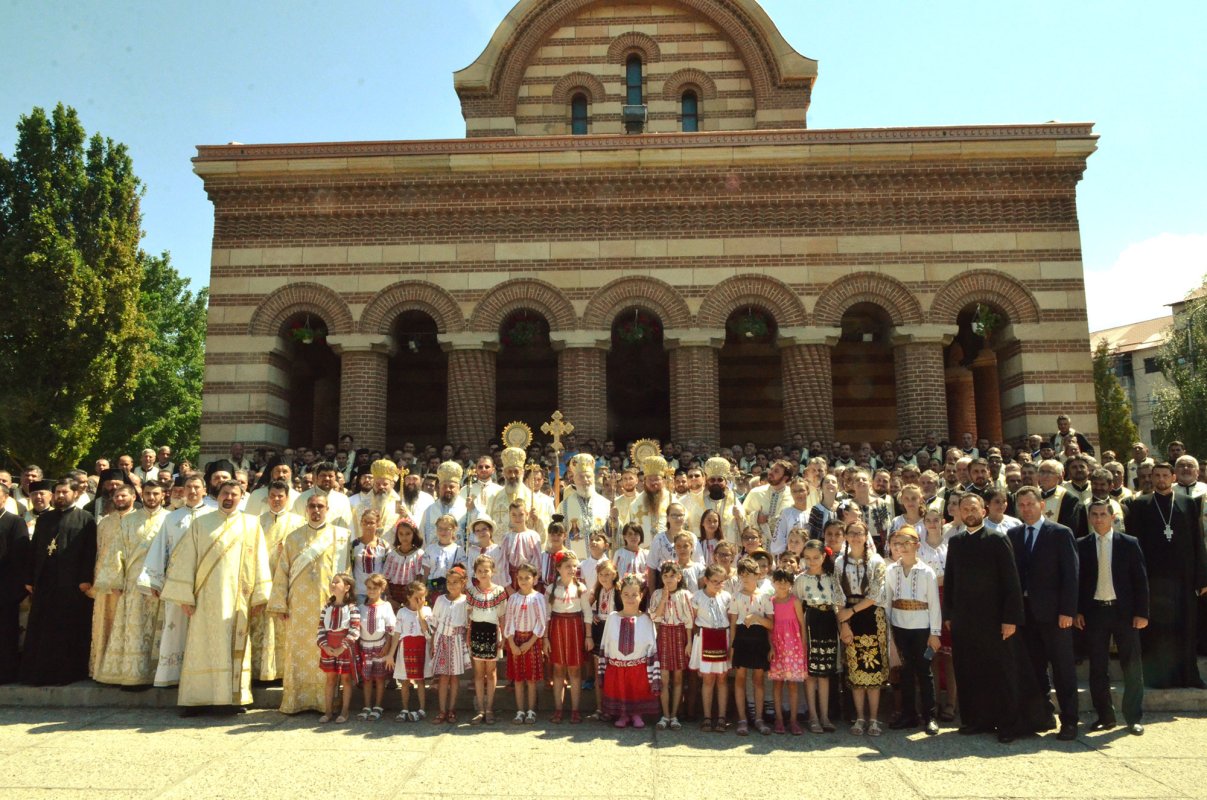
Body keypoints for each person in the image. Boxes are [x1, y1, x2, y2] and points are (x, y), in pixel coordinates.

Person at [161, 480, 272, 713]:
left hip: (238, 600)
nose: (229, 497)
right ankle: (197, 700)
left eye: (234, 493)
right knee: (201, 647)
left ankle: (231, 700)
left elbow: (260, 559)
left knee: (233, 647)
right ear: (217, 495)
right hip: (204, 599)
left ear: (242, 497)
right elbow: (185, 560)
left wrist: (260, 596)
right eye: (224, 493)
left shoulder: (251, 524)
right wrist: (185, 596)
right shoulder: (201, 524)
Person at [945, 493, 1044, 743]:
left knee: (1002, 673)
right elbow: (951, 581)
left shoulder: (998, 539)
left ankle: (1009, 724)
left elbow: (1012, 581)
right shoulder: (956, 542)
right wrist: (949, 615)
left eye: (973, 508)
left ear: (984, 510)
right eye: (964, 508)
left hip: (996, 621)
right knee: (971, 671)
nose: (969, 512)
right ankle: (978, 720)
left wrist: (1011, 619)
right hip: (966, 621)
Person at [268, 492, 353, 714]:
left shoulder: (341, 536)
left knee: (326, 652)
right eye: (312, 506)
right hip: (299, 607)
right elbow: (282, 572)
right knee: (299, 652)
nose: (316, 510)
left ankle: (324, 703)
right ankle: (297, 701)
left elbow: (346, 574)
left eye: (321, 507)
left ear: (327, 510)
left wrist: (344, 605)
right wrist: (280, 604)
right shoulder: (293, 538)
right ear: (306, 509)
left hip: (330, 607)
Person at [1124, 461, 1207, 688]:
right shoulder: (1140, 504)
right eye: (1156, 475)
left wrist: (1202, 578)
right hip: (1153, 579)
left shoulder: (1188, 503)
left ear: (1173, 477)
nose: (1161, 479)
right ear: (1151, 478)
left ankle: (1189, 676)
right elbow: (1134, 544)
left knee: (1185, 627)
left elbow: (1197, 541)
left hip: (1184, 578)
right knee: (1158, 630)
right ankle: (1159, 678)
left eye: (1165, 475)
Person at [1008, 486, 1080, 740]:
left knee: (1062, 668)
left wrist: (1068, 611)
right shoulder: (1013, 534)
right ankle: (1042, 716)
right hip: (1026, 615)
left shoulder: (1060, 533)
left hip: (1054, 615)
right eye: (1022, 505)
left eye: (1030, 504)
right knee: (1034, 668)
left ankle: (1070, 721)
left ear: (1041, 505)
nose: (1026, 509)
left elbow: (1071, 576)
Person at [1076, 500, 1148, 735]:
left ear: (1112, 516)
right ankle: (1105, 716)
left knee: (1132, 666)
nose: (1098, 519)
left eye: (1102, 515)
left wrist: (1142, 613)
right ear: (1089, 518)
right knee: (1098, 667)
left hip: (1124, 613)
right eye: (1094, 515)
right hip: (1095, 612)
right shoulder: (1082, 545)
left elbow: (1140, 580)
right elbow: (1077, 582)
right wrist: (1077, 610)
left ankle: (1133, 717)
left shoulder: (1128, 543)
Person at [21, 478, 98, 686]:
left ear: (75, 493)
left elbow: (90, 552)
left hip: (71, 584)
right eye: (57, 493)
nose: (60, 496)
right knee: (41, 627)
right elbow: (34, 548)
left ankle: (65, 673)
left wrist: (85, 578)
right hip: (45, 582)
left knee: (66, 628)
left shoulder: (86, 519)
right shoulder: (46, 519)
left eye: (65, 492)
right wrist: (29, 578)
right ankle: (38, 673)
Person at [94, 480, 169, 687]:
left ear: (163, 495)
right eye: (147, 493)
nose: (151, 497)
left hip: (162, 585)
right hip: (133, 585)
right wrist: (116, 582)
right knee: (134, 631)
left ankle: (160, 676)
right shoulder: (129, 520)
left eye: (155, 493)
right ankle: (133, 677)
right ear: (141, 495)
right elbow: (117, 550)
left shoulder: (170, 519)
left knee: (161, 629)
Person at [882, 526, 942, 736]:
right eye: (899, 543)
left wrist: (935, 633)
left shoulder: (926, 572)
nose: (903, 547)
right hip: (900, 626)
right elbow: (888, 600)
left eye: (908, 543)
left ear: (917, 545)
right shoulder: (891, 570)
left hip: (921, 627)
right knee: (905, 672)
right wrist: (889, 631)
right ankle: (908, 714)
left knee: (924, 672)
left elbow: (934, 604)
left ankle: (930, 716)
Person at [835, 521, 888, 736]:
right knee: (855, 671)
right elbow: (837, 594)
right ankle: (859, 718)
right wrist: (844, 623)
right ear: (846, 536)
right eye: (852, 533)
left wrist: (851, 612)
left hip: (871, 615)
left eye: (860, 533)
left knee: (872, 669)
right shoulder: (839, 562)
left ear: (866, 536)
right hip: (849, 616)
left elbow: (875, 594)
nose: (856, 537)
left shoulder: (876, 561)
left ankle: (873, 719)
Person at [597, 573, 661, 728]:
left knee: (637, 690)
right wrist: (603, 667)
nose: (630, 598)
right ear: (620, 594)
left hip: (638, 667)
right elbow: (605, 643)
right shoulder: (612, 617)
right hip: (617, 667)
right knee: (620, 690)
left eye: (634, 595)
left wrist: (653, 672)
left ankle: (637, 714)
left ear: (641, 595)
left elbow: (652, 645)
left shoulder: (646, 619)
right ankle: (623, 715)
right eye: (626, 594)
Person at [90, 482, 138, 679]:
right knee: (104, 626)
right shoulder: (104, 522)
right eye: (116, 497)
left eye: (123, 496)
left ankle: (124, 671)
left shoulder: (138, 520)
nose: (119, 499)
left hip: (129, 584)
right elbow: (98, 552)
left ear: (133, 497)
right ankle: (102, 670)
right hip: (104, 584)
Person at [796, 537, 839, 733]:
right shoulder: (801, 579)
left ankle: (825, 716)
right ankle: (812, 716)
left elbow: (839, 602)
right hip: (810, 621)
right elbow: (796, 607)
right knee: (811, 673)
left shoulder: (832, 577)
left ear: (823, 556)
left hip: (829, 621)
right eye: (807, 558)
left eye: (815, 557)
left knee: (825, 673)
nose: (811, 561)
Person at [545, 549, 591, 723]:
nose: (572, 569)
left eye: (574, 566)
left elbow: (587, 613)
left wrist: (588, 636)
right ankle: (558, 709)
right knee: (558, 669)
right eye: (567, 566)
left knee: (575, 670)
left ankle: (575, 710)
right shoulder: (551, 589)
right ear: (558, 568)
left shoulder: (580, 588)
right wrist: (545, 638)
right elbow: (547, 615)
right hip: (557, 629)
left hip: (575, 628)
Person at [729, 556, 774, 736]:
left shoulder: (765, 597)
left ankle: (759, 718)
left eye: (749, 575)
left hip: (759, 638)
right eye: (742, 575)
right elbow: (733, 624)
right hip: (741, 638)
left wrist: (756, 618)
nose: (745, 579)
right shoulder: (736, 596)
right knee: (740, 678)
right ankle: (742, 719)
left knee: (758, 680)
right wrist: (731, 649)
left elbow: (771, 624)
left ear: (758, 575)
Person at [649, 561, 693, 730]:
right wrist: (664, 598)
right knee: (664, 677)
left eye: (672, 576)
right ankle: (665, 715)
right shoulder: (657, 594)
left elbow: (689, 621)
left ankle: (674, 715)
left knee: (678, 677)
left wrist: (688, 642)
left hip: (680, 634)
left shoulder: (685, 595)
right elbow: (655, 616)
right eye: (665, 576)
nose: (668, 579)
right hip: (664, 634)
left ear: (679, 577)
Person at [690, 563, 732, 732]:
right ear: (706, 580)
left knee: (722, 678)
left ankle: (721, 717)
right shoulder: (697, 597)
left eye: (721, 581)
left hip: (723, 638)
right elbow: (692, 621)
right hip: (705, 638)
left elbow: (731, 618)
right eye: (714, 581)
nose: (718, 584)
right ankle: (707, 717)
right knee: (707, 679)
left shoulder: (727, 597)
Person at [504, 563, 547, 724]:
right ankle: (520, 711)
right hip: (515, 641)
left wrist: (530, 643)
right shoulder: (513, 598)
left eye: (527, 577)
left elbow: (541, 622)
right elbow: (508, 622)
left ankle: (530, 711)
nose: (523, 580)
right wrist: (512, 644)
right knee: (519, 679)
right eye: (520, 578)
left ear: (534, 579)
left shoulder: (538, 598)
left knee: (531, 678)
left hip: (532, 641)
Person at [429, 564, 471, 724]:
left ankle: (452, 709)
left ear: (463, 583)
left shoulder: (466, 601)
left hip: (457, 641)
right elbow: (434, 622)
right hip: (441, 640)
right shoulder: (441, 600)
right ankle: (441, 710)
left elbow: (467, 623)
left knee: (454, 677)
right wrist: (433, 643)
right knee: (443, 677)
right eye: (449, 582)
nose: (451, 585)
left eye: (455, 582)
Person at [467, 554, 506, 724]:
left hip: (492, 631)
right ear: (475, 573)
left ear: (493, 571)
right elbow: (468, 616)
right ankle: (480, 710)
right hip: (476, 630)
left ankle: (489, 708)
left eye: (487, 570)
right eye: (480, 571)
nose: (483, 574)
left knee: (491, 672)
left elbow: (502, 616)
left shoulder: (499, 591)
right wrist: (468, 635)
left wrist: (503, 636)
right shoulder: (471, 592)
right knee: (478, 672)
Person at [317, 573, 360, 724]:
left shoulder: (352, 608)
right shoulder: (327, 607)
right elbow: (321, 627)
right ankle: (328, 711)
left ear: (347, 587)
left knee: (346, 679)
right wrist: (324, 645)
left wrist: (343, 647)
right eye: (332, 582)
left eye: (337, 582)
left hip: (344, 648)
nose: (333, 584)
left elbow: (355, 629)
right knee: (330, 679)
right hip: (329, 646)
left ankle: (344, 711)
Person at [768, 567, 807, 735]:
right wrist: (770, 646)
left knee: (792, 684)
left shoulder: (795, 601)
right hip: (777, 646)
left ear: (791, 584)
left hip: (794, 646)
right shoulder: (771, 601)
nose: (782, 586)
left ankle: (793, 720)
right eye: (779, 582)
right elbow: (769, 626)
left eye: (786, 583)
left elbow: (801, 624)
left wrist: (804, 645)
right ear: (773, 583)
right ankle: (778, 719)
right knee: (777, 683)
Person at [355, 573, 396, 721]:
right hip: (365, 646)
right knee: (366, 678)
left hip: (380, 646)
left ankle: (378, 706)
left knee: (379, 678)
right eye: (369, 588)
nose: (371, 591)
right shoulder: (361, 608)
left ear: (382, 589)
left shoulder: (386, 606)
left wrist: (388, 645)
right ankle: (367, 706)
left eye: (375, 588)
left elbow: (391, 628)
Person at [0, 483, 29, 683]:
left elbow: (20, 559)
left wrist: (14, 590)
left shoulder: (14, 522)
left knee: (5, 633)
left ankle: (6, 673)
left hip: (4, 588)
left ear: (4, 498)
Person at [392, 581, 431, 722]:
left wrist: (420, 610)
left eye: (423, 597)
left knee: (420, 680)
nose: (420, 601)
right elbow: (396, 634)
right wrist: (391, 654)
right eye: (417, 598)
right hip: (406, 648)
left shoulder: (427, 611)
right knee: (405, 681)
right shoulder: (402, 612)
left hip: (421, 646)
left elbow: (427, 629)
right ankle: (404, 708)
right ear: (409, 597)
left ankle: (422, 708)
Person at [383, 519, 424, 609]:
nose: (404, 537)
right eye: (401, 534)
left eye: (408, 533)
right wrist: (389, 599)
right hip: (393, 595)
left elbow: (420, 578)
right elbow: (385, 578)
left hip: (411, 595)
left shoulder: (419, 554)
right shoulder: (392, 554)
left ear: (414, 534)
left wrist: (412, 598)